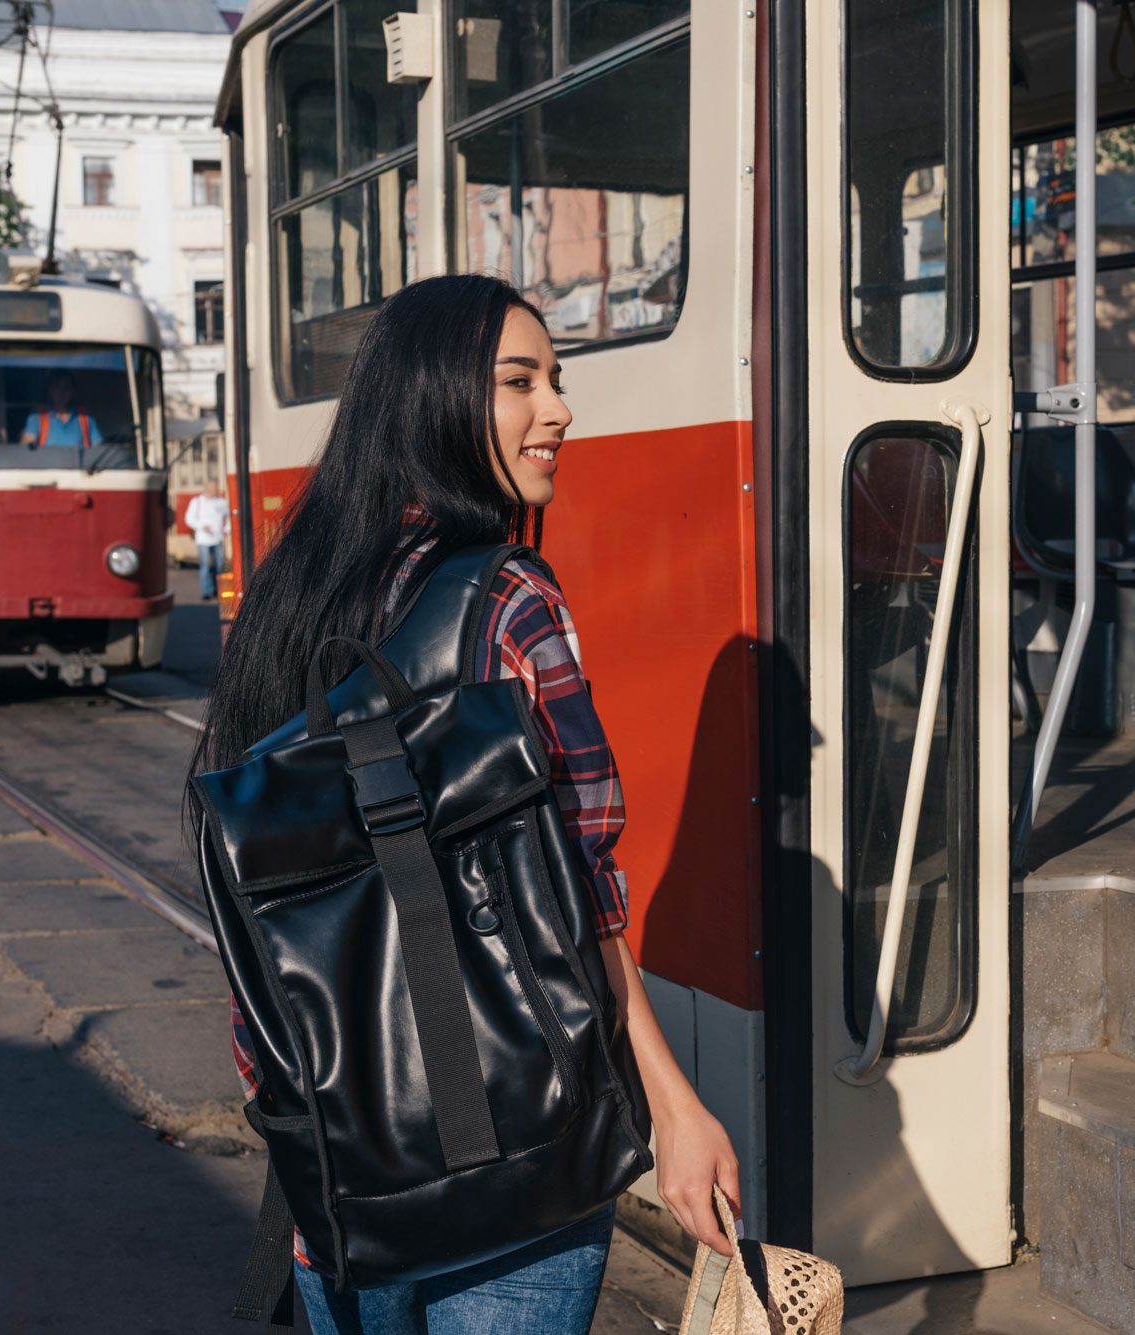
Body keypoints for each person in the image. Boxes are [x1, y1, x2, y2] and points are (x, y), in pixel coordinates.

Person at [192, 274, 740, 1335]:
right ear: (435, 398)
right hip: (514, 1154)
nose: (559, 410)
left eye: (556, 379)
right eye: (519, 382)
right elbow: (582, 890)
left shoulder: (291, 595)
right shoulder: (506, 598)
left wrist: (301, 1126)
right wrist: (673, 1108)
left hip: (340, 1176)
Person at [18, 370, 104, 447]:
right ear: (50, 391)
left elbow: (97, 447)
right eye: (57, 387)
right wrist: (27, 441)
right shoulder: (38, 415)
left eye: (66, 387)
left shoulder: (85, 416)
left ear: (73, 391)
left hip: (79, 464)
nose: (61, 392)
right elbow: (28, 445)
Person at [184, 479, 231, 601]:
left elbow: (228, 518)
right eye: (213, 488)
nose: (215, 490)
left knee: (219, 566)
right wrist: (201, 526)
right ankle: (206, 591)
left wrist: (226, 529)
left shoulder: (222, 502)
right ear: (207, 489)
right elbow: (189, 519)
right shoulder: (197, 502)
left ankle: (217, 589)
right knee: (205, 566)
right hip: (203, 539)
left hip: (217, 537)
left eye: (216, 488)